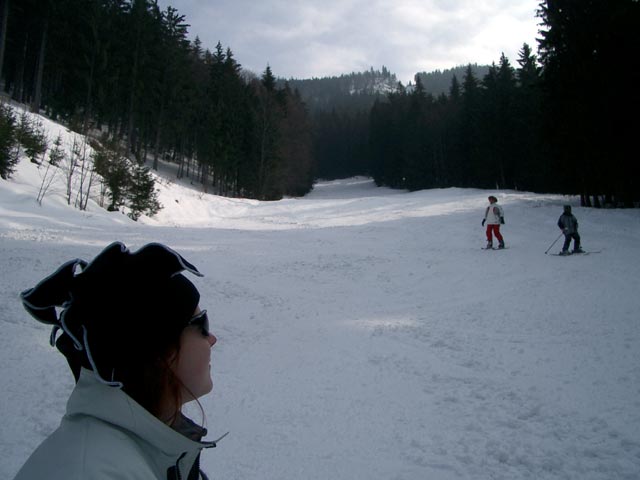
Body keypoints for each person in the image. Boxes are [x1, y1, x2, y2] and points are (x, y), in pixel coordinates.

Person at [14, 241, 226, 480]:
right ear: (156, 351)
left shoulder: (144, 446)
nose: (212, 339)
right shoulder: (91, 472)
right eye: (201, 325)